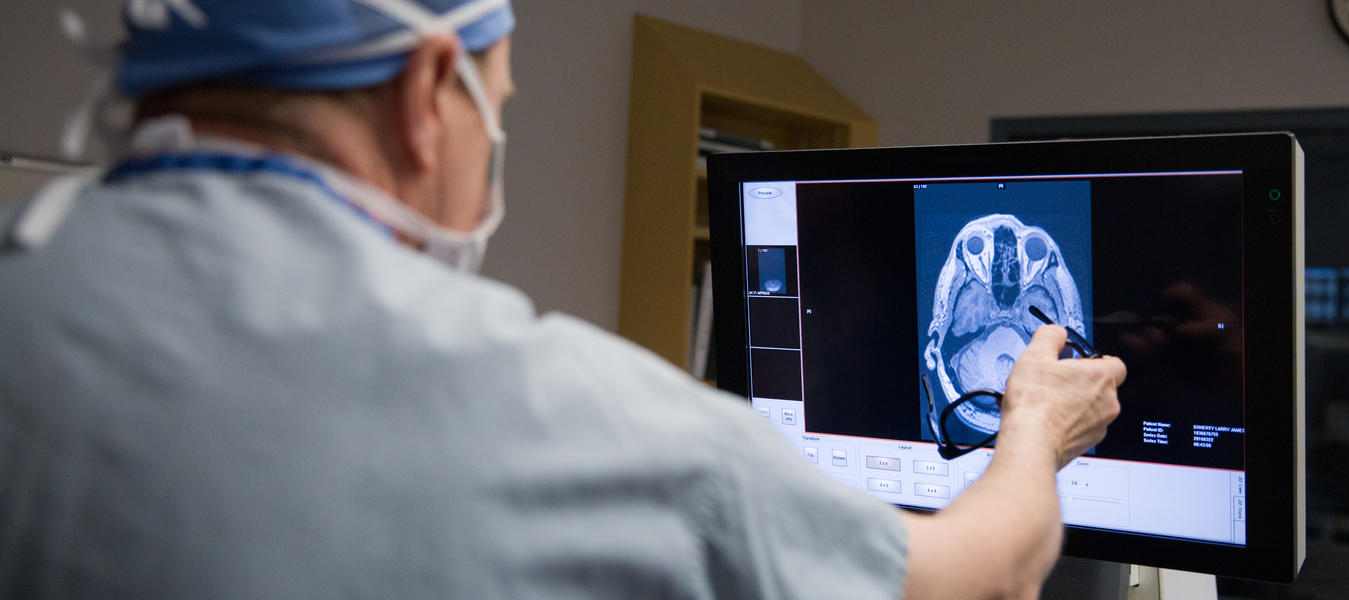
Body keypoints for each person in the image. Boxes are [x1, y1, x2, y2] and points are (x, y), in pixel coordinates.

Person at [0, 1, 1126, 598]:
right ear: (428, 90)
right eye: (499, 104)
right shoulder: (569, 414)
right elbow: (969, 587)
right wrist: (1033, 427)